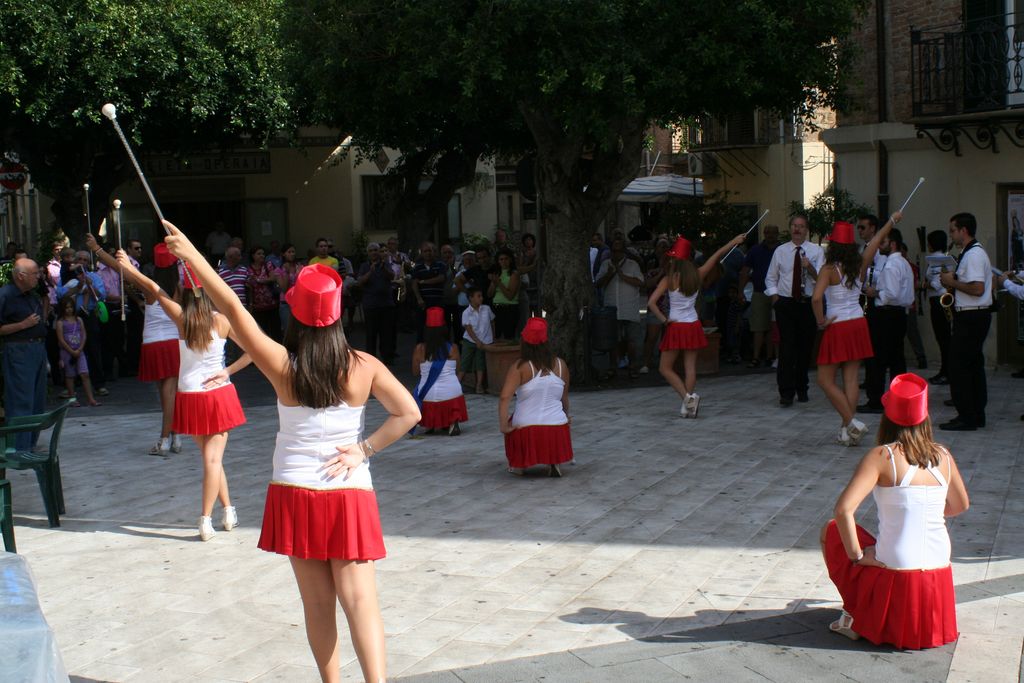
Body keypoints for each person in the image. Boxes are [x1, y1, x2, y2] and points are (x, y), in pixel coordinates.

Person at [163, 220, 419, 683]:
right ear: (339, 314)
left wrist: (191, 256)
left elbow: (231, 306)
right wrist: (363, 450)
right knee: (361, 602)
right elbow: (409, 413)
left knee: (317, 606)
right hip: (349, 492)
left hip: (294, 491)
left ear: (296, 315)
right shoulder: (364, 365)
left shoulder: (281, 364)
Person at [821, 373, 968, 649]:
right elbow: (960, 505)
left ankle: (856, 616)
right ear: (925, 418)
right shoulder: (943, 455)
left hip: (897, 565)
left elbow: (843, 510)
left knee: (831, 531)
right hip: (938, 564)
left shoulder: (882, 456)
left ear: (887, 417)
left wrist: (858, 556)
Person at [812, 215, 898, 446]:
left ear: (832, 245)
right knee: (851, 378)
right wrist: (891, 221)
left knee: (824, 379)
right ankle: (847, 431)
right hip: (858, 324)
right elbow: (877, 239)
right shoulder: (861, 262)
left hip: (837, 325)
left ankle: (851, 422)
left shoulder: (828, 269)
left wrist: (820, 321)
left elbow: (816, 298)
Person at [648, 233, 746, 418]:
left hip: (676, 325)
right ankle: (688, 405)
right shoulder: (698, 275)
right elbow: (717, 254)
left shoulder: (668, 279)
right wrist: (734, 241)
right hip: (693, 325)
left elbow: (651, 303)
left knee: (664, 368)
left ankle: (688, 400)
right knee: (690, 367)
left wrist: (664, 320)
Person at [498, 317, 573, 477]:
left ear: (524, 342)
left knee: (512, 422)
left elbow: (505, 397)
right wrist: (566, 417)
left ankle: (519, 465)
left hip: (527, 427)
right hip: (556, 427)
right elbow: (564, 398)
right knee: (557, 420)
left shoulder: (519, 367)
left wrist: (504, 426)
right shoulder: (561, 365)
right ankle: (554, 461)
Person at [764, 213, 825, 406]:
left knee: (805, 348)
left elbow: (822, 279)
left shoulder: (816, 251)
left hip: (807, 304)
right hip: (786, 303)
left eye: (801, 226)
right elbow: (770, 277)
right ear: (790, 228)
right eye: (794, 225)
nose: (797, 229)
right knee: (787, 347)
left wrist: (810, 268)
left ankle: (802, 387)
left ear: (806, 230)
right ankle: (786, 392)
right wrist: (775, 299)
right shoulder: (781, 251)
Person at [939, 212, 993, 431]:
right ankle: (976, 414)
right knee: (973, 366)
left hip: (972, 316)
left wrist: (951, 282)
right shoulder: (969, 253)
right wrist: (952, 280)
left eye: (953, 230)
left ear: (964, 230)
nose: (951, 235)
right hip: (972, 315)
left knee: (958, 366)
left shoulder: (974, 255)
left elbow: (977, 289)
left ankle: (966, 417)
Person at [131, 243, 183, 455]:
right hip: (172, 342)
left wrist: (99, 251)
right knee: (169, 393)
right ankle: (174, 436)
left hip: (153, 343)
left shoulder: (151, 288)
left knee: (165, 393)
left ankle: (165, 440)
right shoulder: (178, 288)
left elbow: (125, 272)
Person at [859, 228, 915, 413]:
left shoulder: (891, 265)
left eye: (882, 243)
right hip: (899, 315)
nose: (879, 246)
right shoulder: (904, 263)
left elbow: (891, 294)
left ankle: (875, 401)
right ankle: (899, 399)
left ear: (892, 244)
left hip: (886, 315)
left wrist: (874, 292)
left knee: (877, 360)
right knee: (896, 359)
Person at [0, 258, 48, 450]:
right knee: (21, 400)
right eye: (35, 273)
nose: (38, 277)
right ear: (21, 276)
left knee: (37, 401)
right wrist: (22, 325)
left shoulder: (31, 295)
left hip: (37, 349)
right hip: (19, 350)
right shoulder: (5, 295)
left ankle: (30, 445)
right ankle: (18, 449)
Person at [56, 251, 109, 397]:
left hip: (88, 315)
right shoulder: (66, 276)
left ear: (88, 263)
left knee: (93, 348)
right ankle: (71, 386)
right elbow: (60, 294)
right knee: (69, 349)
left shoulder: (94, 276)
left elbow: (101, 296)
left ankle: (98, 384)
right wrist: (78, 287)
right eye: (79, 259)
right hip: (70, 317)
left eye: (85, 260)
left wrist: (91, 286)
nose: (81, 262)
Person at [411, 307, 468, 436]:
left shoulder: (419, 349)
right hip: (452, 394)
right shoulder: (453, 348)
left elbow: (415, 372)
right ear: (444, 329)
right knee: (453, 388)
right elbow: (458, 370)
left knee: (421, 392)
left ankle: (430, 423)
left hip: (427, 395)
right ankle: (452, 421)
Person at [595, 237, 644, 379]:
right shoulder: (605, 264)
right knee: (613, 340)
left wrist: (622, 276)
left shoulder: (632, 265)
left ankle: (632, 367)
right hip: (611, 309)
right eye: (614, 251)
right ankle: (613, 367)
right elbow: (598, 284)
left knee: (631, 340)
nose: (616, 254)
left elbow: (641, 282)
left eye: (619, 251)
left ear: (624, 251)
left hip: (629, 308)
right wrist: (610, 274)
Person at [738, 224, 780, 368]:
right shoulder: (755, 250)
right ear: (764, 233)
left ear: (777, 234)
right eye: (767, 232)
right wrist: (740, 291)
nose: (770, 235)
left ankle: (770, 356)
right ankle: (756, 357)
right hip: (759, 292)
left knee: (773, 326)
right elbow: (745, 271)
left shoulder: (782, 249)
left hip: (779, 293)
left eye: (773, 232)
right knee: (758, 327)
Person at [55, 295, 100, 407]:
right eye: (66, 307)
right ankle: (72, 399)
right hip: (67, 352)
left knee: (85, 374)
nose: (69, 310)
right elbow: (61, 339)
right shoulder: (60, 322)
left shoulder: (79, 320)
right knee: (70, 376)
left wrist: (80, 349)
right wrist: (71, 351)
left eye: (71, 307)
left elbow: (84, 335)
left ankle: (91, 399)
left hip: (79, 351)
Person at [358, 242, 396, 364]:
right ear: (368, 253)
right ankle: (371, 360)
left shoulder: (385, 264)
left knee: (386, 333)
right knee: (371, 334)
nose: (374, 252)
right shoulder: (364, 266)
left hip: (386, 304)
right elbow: (360, 282)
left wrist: (383, 267)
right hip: (371, 305)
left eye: (376, 250)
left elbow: (392, 276)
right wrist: (370, 271)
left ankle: (387, 358)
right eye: (371, 250)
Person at [923, 230, 951, 385]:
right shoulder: (943, 258)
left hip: (939, 301)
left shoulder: (937, 259)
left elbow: (936, 283)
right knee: (944, 338)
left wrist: (922, 285)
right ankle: (946, 370)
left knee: (943, 338)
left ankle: (946, 372)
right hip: (941, 301)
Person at [460, 288, 493, 394]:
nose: (481, 298)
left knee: (480, 363)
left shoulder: (487, 309)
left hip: (484, 340)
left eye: (481, 296)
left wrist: (493, 337)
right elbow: (468, 329)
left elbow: (492, 322)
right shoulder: (466, 313)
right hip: (470, 340)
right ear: (471, 298)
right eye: (478, 296)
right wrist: (477, 341)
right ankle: (457, 384)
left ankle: (479, 385)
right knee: (464, 362)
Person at [247, 245, 283, 342]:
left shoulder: (268, 265)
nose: (261, 256)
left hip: (272, 304)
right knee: (263, 331)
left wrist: (260, 280)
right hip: (258, 306)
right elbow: (249, 287)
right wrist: (251, 303)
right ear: (253, 256)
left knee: (276, 331)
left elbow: (273, 278)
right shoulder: (248, 269)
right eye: (258, 254)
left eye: (263, 254)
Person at [488, 248, 520, 340]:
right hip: (496, 308)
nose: (503, 261)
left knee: (508, 338)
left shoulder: (514, 274)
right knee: (496, 337)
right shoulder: (497, 273)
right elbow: (489, 294)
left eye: (506, 258)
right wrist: (494, 283)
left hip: (510, 308)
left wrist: (499, 283)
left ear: (510, 260)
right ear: (498, 261)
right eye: (501, 259)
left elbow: (510, 296)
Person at [279, 243, 301, 332]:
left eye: (293, 252)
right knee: (288, 330)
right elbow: (284, 289)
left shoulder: (300, 267)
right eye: (289, 252)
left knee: (299, 330)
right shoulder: (279, 270)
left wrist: (299, 274)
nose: (292, 254)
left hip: (298, 302)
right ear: (283, 254)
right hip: (286, 304)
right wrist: (287, 272)